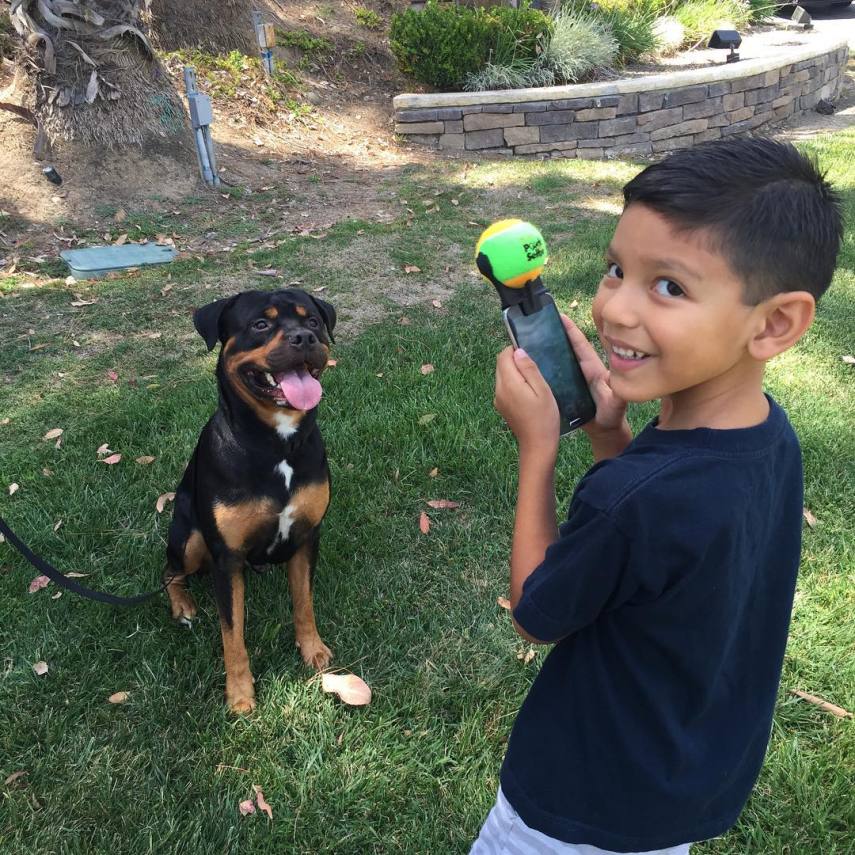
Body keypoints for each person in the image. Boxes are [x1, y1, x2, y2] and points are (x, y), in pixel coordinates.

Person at [471, 138, 843, 854]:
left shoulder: (631, 500)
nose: (612, 305)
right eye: (616, 268)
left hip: (572, 804)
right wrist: (609, 435)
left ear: (774, 323)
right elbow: (664, 566)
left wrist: (537, 451)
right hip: (678, 784)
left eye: (667, 286)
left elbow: (536, 612)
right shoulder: (769, 436)